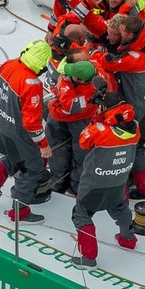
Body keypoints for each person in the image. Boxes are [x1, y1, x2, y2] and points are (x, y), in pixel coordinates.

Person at [94, 14, 145, 199]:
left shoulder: (134, 57)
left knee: (136, 148)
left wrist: (97, 53)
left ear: (130, 35)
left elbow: (108, 63)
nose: (120, 35)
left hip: (142, 108)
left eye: (122, 32)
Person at [0, 39, 54, 224]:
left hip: (2, 124)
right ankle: (19, 211)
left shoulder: (8, 65)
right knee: (34, 169)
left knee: (14, 156)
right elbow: (32, 123)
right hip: (20, 133)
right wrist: (44, 145)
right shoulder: (32, 83)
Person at [71, 92, 140, 268]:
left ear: (105, 109)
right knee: (120, 208)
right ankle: (128, 239)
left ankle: (88, 258)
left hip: (94, 185)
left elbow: (83, 142)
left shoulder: (98, 131)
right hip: (117, 182)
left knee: (81, 215)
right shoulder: (135, 129)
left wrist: (98, 118)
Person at [44, 55, 116, 195]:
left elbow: (66, 108)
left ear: (81, 80)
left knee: (75, 153)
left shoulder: (78, 98)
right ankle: (72, 184)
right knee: (79, 152)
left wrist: (52, 104)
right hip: (86, 118)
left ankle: (68, 185)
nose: (66, 75)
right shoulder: (94, 68)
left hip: (76, 120)